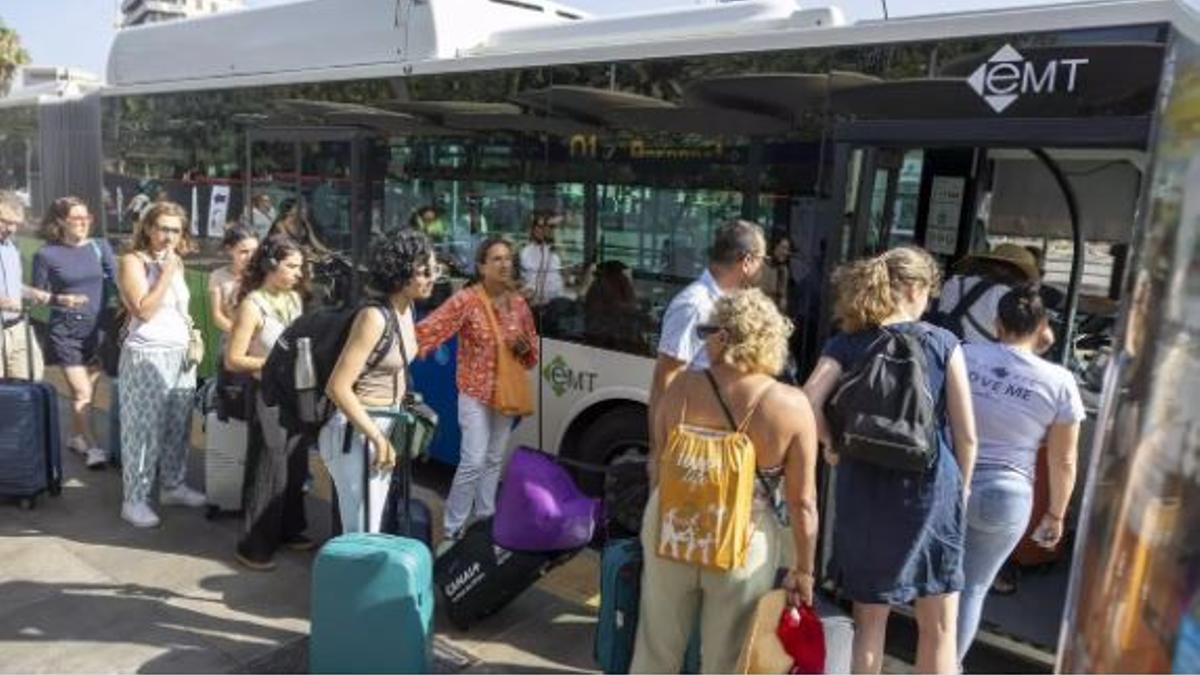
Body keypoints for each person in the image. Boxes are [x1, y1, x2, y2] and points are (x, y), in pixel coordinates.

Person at [802, 246, 978, 674]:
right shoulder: (943, 342)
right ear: (916, 288)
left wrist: (829, 444)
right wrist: (964, 488)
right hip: (932, 490)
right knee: (938, 626)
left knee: (869, 622)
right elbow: (966, 433)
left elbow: (807, 399)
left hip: (863, 489)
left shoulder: (847, 341)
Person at [632, 289, 820, 674]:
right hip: (743, 542)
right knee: (728, 659)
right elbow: (803, 504)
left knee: (656, 649)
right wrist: (804, 569)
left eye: (706, 332)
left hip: (673, 525)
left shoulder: (681, 387)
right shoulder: (791, 405)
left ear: (722, 336)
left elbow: (661, 460)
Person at [956, 284, 1085, 663]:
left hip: (950, 483)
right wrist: (1056, 514)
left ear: (997, 323)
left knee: (938, 584)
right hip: (1006, 493)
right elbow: (1064, 460)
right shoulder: (1060, 382)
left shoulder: (962, 355)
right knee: (972, 588)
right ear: (1043, 326)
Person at [417, 237, 539, 547]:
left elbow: (532, 354)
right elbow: (431, 329)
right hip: (474, 392)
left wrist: (525, 349)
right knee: (472, 460)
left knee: (494, 459)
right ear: (482, 266)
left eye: (507, 258)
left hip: (505, 394)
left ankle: (486, 518)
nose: (504, 264)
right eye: (496, 259)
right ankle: (453, 527)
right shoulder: (467, 300)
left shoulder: (519, 304)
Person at [322, 231, 439, 534]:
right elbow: (337, 387)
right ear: (400, 273)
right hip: (357, 432)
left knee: (371, 524)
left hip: (382, 426)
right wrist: (376, 436)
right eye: (425, 271)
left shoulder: (407, 309)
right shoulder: (374, 318)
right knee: (362, 529)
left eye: (435, 270)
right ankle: (343, 581)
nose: (432, 278)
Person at [116, 201, 207, 528]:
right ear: (149, 229)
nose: (169, 236)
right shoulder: (133, 261)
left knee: (177, 425)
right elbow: (144, 310)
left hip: (180, 355)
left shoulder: (176, 263)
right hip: (146, 356)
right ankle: (134, 499)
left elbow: (178, 308)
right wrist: (166, 272)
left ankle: (173, 485)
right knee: (142, 429)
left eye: (175, 230)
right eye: (163, 229)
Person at [225, 236, 307, 570]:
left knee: (295, 461)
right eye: (291, 266)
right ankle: (254, 544)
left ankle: (289, 528)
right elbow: (234, 359)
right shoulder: (251, 305)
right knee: (269, 465)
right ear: (271, 265)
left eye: (300, 267)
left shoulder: (293, 299)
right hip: (268, 394)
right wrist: (273, 364)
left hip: (295, 394)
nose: (298, 274)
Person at [649, 220, 767, 433]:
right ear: (747, 261)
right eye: (762, 259)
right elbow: (665, 381)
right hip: (695, 441)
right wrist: (660, 452)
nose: (764, 267)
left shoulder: (731, 301)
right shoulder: (694, 306)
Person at [33, 197, 116, 470]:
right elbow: (37, 296)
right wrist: (61, 300)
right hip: (65, 333)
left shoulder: (100, 247)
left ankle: (75, 436)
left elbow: (118, 282)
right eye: (76, 218)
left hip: (98, 331)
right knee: (81, 393)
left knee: (88, 392)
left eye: (86, 218)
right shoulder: (46, 255)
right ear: (61, 222)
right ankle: (92, 448)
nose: (83, 223)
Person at [934, 243, 1049, 347]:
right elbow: (1039, 341)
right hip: (979, 363)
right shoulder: (1008, 297)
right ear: (1017, 272)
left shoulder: (955, 282)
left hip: (944, 353)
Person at [0, 190, 52, 380]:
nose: (11, 229)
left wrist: (33, 293)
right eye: (5, 221)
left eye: (16, 224)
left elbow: (14, 286)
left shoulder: (10, 247)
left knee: (30, 384)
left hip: (18, 328)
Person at [208, 225, 258, 341]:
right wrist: (242, 334)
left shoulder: (263, 276)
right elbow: (217, 316)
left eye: (255, 251)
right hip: (232, 338)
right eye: (244, 252)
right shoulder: (218, 276)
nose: (250, 257)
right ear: (229, 249)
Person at [584, 260, 645, 353]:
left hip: (615, 334)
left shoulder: (619, 281)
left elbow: (631, 302)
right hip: (604, 338)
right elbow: (617, 307)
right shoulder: (601, 285)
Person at [519, 212, 565, 306]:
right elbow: (524, 278)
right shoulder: (526, 252)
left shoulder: (555, 251)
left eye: (546, 227)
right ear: (533, 229)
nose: (542, 230)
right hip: (534, 301)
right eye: (539, 227)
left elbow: (566, 275)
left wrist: (558, 244)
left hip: (555, 301)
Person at [269, 196, 331, 262]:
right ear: (288, 212)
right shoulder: (280, 224)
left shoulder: (305, 223)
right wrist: (312, 254)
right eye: (300, 208)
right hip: (284, 259)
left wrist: (328, 251)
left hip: (301, 256)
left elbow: (315, 242)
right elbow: (288, 244)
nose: (305, 211)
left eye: (305, 208)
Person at [758, 232, 793, 314]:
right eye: (783, 248)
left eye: (788, 250)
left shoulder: (783, 270)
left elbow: (782, 298)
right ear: (775, 246)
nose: (785, 252)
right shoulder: (761, 264)